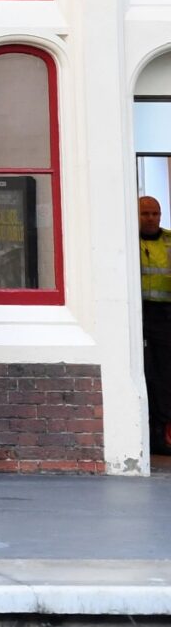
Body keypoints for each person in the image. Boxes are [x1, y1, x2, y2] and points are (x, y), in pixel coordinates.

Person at [142, 195, 171, 458]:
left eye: (155, 213)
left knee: (164, 376)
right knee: (146, 375)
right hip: (138, 315)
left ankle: (163, 435)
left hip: (164, 316)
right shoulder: (129, 242)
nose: (151, 218)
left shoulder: (169, 241)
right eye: (145, 213)